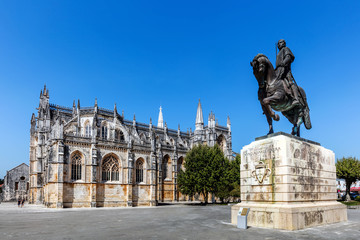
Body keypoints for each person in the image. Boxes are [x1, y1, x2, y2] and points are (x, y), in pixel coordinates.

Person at [275, 39, 301, 106]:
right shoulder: (278, 54)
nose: (278, 44)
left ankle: (296, 99)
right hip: (279, 71)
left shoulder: (285, 49)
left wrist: (283, 63)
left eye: (280, 43)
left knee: (290, 82)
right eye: (278, 43)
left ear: (284, 43)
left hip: (286, 70)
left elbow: (288, 57)